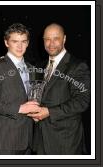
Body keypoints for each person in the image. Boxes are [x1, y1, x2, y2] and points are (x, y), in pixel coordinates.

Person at [19, 23, 91, 154]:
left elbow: (82, 101)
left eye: (56, 38)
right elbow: (34, 93)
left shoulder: (78, 66)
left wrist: (49, 112)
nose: (51, 43)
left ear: (64, 39)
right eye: (47, 39)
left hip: (65, 142)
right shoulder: (39, 66)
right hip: (39, 141)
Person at [0, 23, 38, 155]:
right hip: (5, 141)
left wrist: (36, 111)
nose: (20, 46)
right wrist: (20, 108)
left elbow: (33, 96)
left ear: (28, 43)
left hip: (29, 139)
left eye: (23, 41)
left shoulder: (32, 68)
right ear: (6, 42)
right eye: (15, 41)